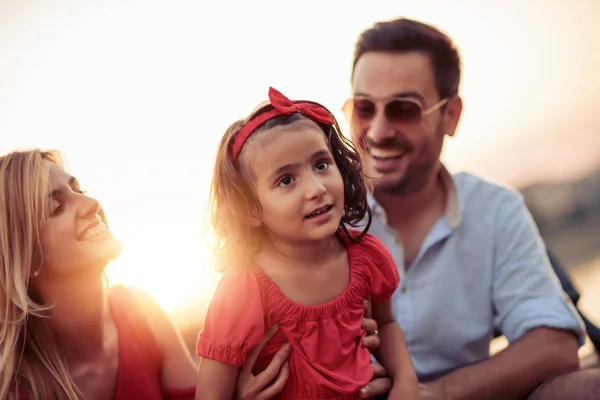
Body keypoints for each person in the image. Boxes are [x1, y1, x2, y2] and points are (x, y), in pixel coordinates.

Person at [341, 18, 598, 399]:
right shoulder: (321, 216)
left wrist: (434, 394)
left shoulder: (494, 209)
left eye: (404, 109)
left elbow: (555, 347)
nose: (377, 131)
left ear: (452, 116)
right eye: (364, 107)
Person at [0, 148, 331, 400]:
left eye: (79, 189)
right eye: (56, 207)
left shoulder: (140, 310)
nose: (90, 204)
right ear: (24, 254)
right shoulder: (13, 386)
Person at [195, 87, 419, 399]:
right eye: (286, 180)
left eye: (321, 165)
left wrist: (406, 383)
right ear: (252, 210)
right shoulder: (245, 288)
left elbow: (388, 324)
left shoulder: (367, 256)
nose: (315, 188)